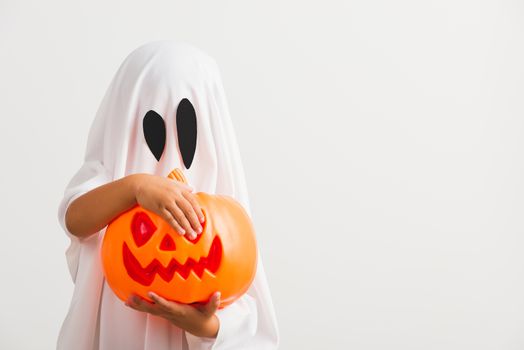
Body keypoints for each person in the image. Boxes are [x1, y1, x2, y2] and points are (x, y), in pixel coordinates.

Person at [56, 40, 279, 350]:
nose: (171, 149)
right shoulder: (109, 180)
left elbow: (243, 303)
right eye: (153, 124)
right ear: (128, 120)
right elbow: (75, 218)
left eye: (187, 127)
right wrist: (135, 187)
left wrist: (206, 325)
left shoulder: (223, 201)